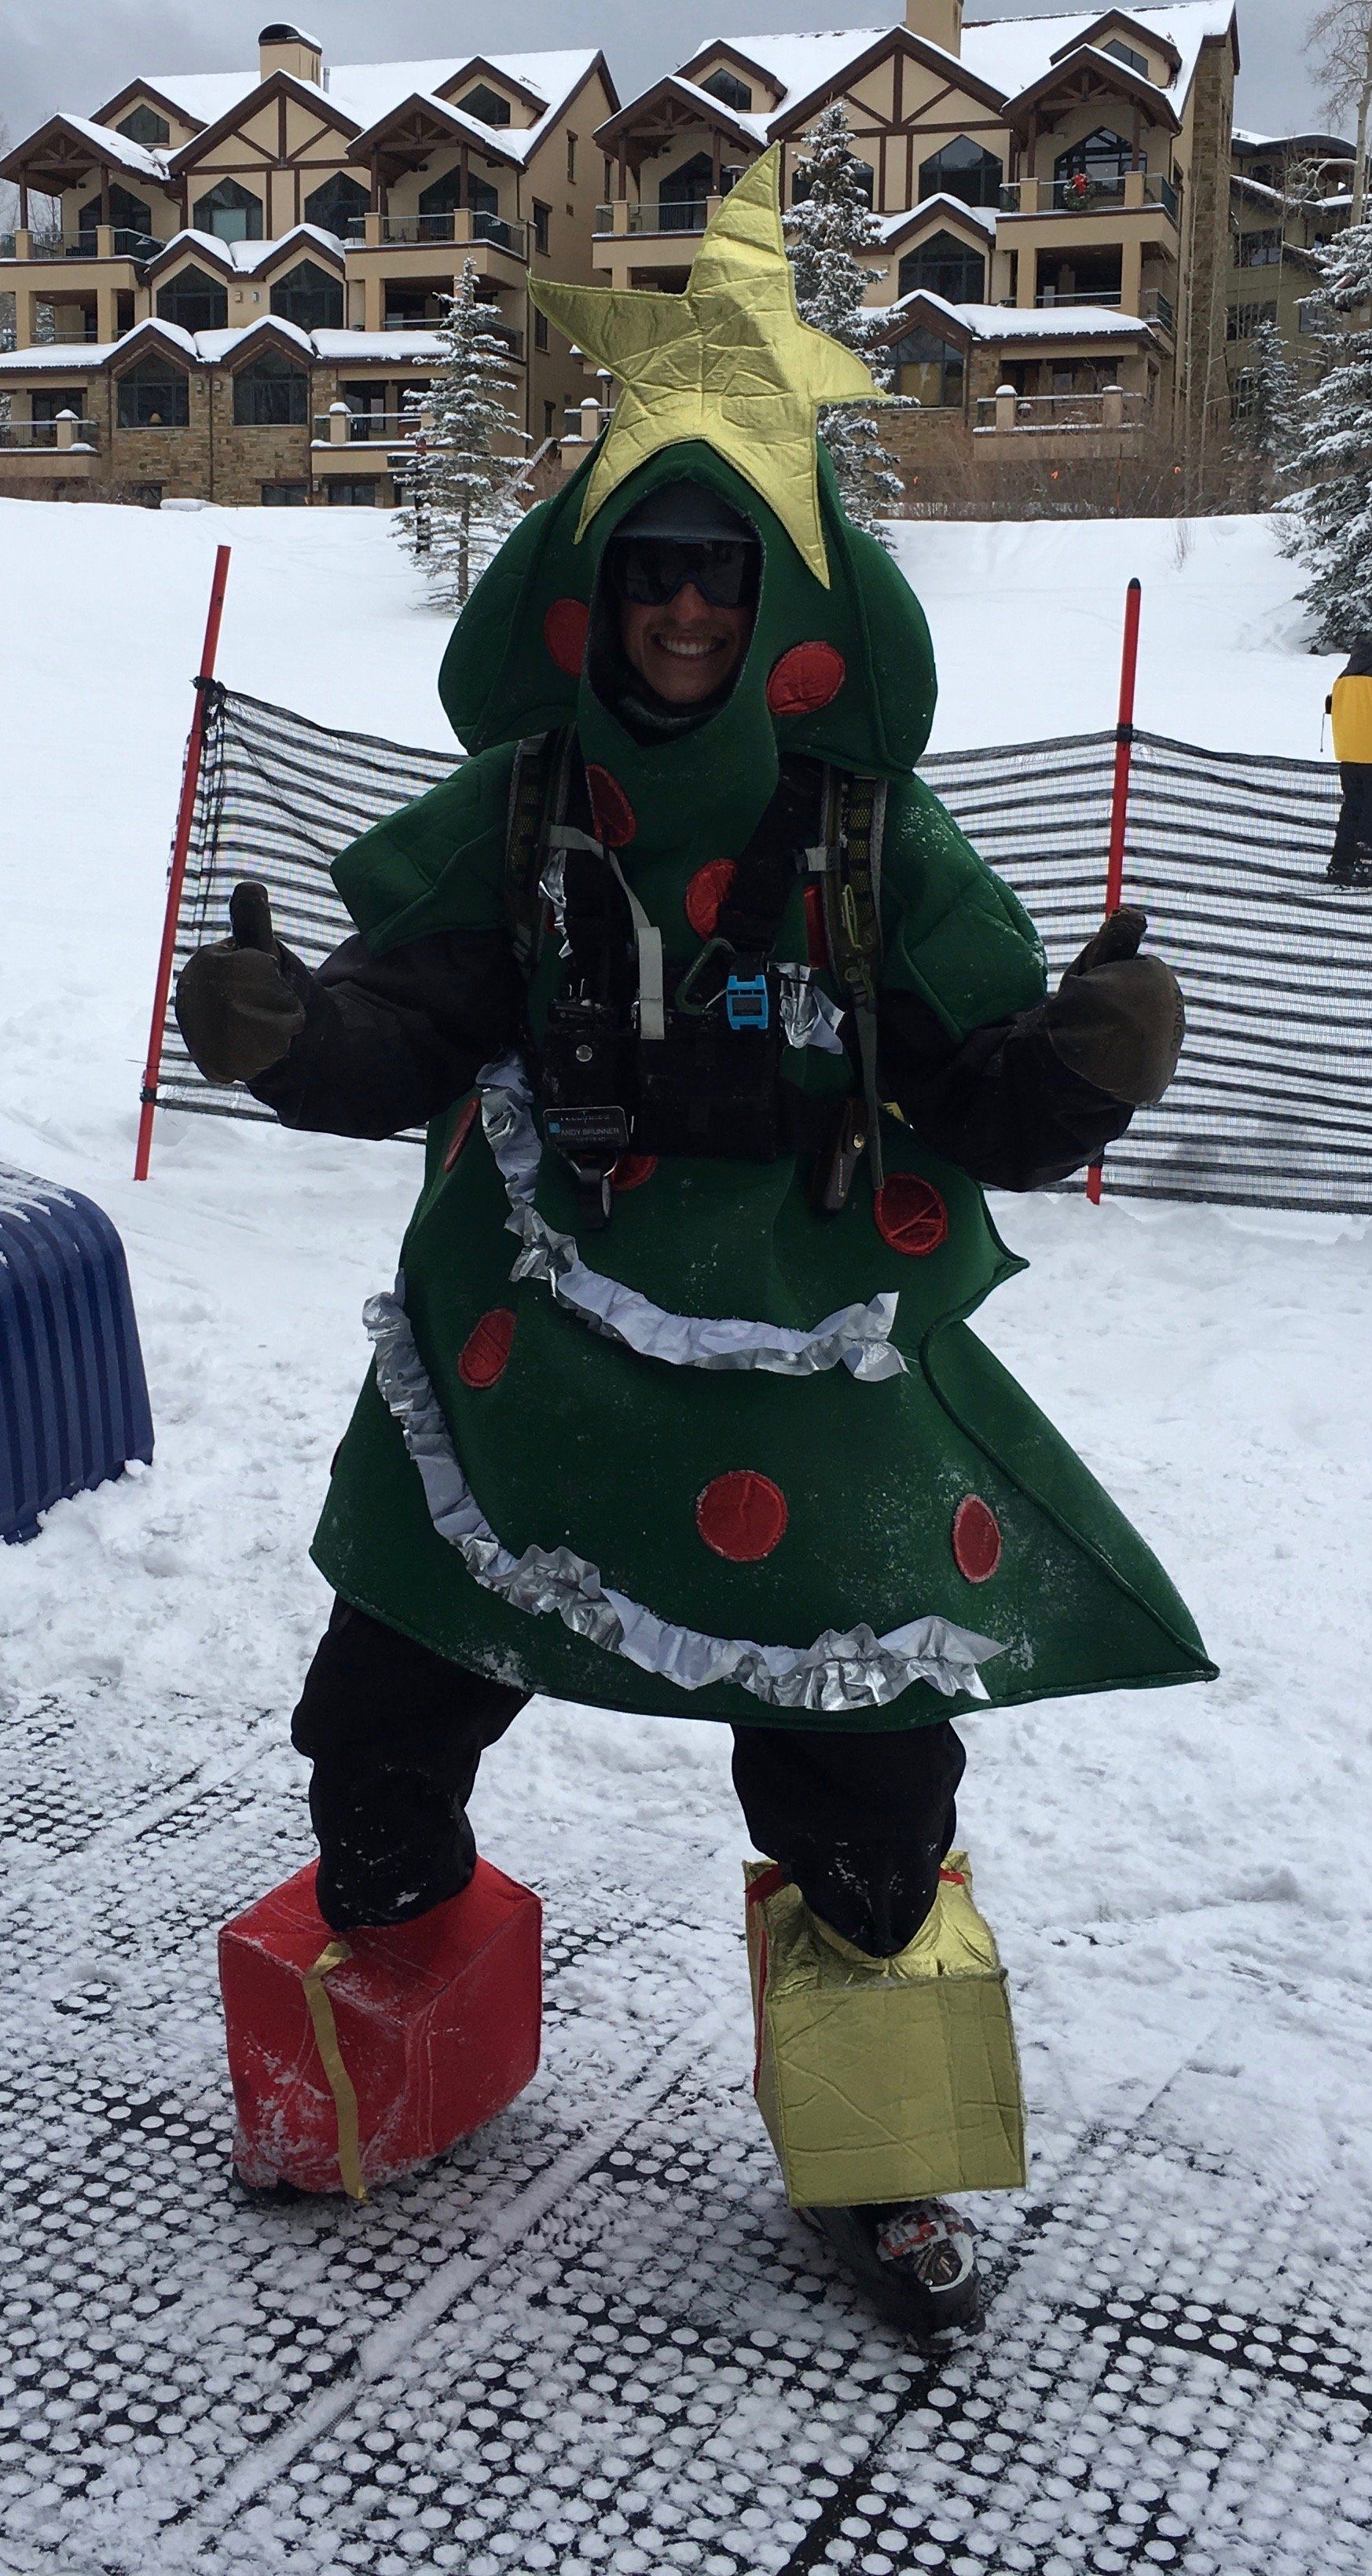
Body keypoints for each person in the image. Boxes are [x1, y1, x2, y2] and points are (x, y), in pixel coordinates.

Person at [175, 154, 1211, 2348]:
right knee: (377, 1706)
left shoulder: (867, 835)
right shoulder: (524, 803)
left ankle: (881, 2148)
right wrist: (291, 1039)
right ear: (586, 584)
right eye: (646, 564)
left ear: (785, 599)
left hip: (800, 1369)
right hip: (529, 1350)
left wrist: (1086, 1067)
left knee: (867, 1778)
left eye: (717, 572)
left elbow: (982, 1091)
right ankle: (389, 2017)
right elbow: (406, 1019)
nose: (678, 608)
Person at [1326, 636, 1372, 885]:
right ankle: (1366, 864)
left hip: (1348, 756)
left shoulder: (1343, 678)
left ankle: (1341, 863)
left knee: (1352, 808)